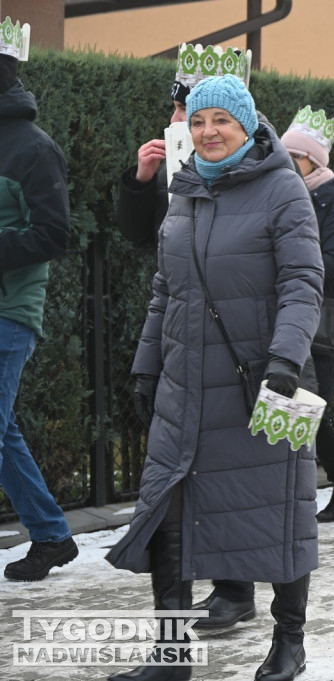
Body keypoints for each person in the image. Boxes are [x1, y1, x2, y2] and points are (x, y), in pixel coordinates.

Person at [105, 75, 324, 681]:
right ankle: (172, 657)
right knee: (167, 515)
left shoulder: (284, 189)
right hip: (186, 386)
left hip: (265, 384)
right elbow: (165, 290)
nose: (207, 132)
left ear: (248, 124)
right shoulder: (185, 189)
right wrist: (148, 363)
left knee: (279, 509)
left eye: (220, 121)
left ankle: (289, 640)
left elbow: (302, 283)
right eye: (198, 122)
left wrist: (285, 359)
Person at [115, 42, 259, 632]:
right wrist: (141, 179)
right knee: (180, 466)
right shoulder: (177, 159)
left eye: (202, 115)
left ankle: (236, 587)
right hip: (175, 325)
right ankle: (184, 601)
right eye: (184, 113)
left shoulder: (244, 168)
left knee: (228, 462)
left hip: (229, 339)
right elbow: (137, 236)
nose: (190, 125)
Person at [0, 16, 79, 582]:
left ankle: (52, 536)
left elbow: (56, 235)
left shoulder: (34, 148)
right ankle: (52, 536)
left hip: (8, 313)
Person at [281, 106, 334, 523]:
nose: (288, 164)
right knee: (294, 402)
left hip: (322, 315)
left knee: (309, 405)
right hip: (285, 309)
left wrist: (294, 262)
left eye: (295, 157)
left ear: (314, 159)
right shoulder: (281, 190)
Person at [117, 42, 252, 246]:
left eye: (183, 108)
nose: (173, 119)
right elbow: (141, 237)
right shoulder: (175, 163)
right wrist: (142, 182)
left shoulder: (270, 163)